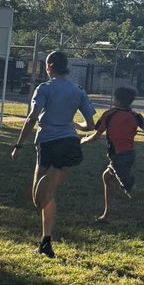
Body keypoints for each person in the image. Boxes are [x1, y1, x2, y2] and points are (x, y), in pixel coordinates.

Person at [11, 51, 96, 257]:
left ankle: (46, 241)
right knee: (40, 197)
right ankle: (45, 241)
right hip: (68, 144)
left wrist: (18, 145)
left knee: (41, 194)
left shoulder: (44, 88)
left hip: (50, 143)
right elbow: (90, 124)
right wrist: (74, 124)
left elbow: (32, 117)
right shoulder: (78, 90)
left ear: (49, 66)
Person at [80, 86, 144, 221]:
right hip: (129, 155)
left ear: (117, 100)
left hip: (119, 159)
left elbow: (95, 136)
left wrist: (83, 140)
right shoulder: (136, 116)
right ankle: (106, 215)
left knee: (132, 194)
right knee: (106, 177)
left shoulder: (109, 114)